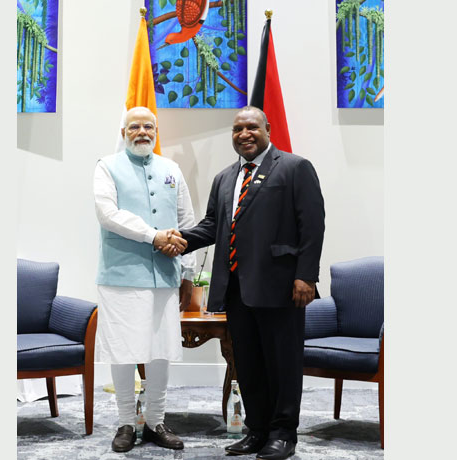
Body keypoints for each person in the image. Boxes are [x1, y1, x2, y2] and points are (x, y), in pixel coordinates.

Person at [175, 106, 325, 460]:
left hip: (282, 286)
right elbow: (213, 226)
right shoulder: (225, 178)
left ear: (267, 129)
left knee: (282, 363)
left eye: (251, 127)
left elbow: (312, 226)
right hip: (237, 289)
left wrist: (306, 275)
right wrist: (178, 239)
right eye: (237, 128)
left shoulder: (294, 168)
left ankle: (284, 434)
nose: (244, 134)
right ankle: (257, 431)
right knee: (249, 364)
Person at [93, 106, 194, 453]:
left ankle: (155, 421)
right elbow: (108, 215)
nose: (142, 132)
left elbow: (187, 221)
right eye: (134, 127)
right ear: (123, 133)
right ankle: (125, 423)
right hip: (121, 276)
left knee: (161, 351)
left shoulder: (171, 169)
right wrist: (153, 236)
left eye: (148, 126)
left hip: (165, 276)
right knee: (123, 350)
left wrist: (189, 270)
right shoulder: (107, 166)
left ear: (156, 131)